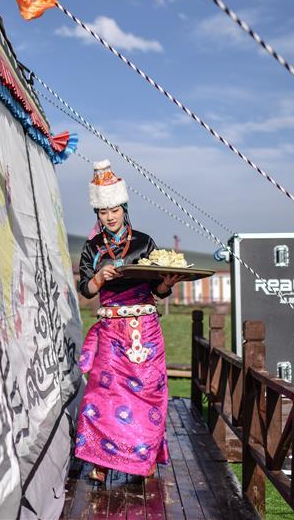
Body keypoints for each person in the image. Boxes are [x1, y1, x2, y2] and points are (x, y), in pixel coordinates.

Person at [75, 160, 181, 484]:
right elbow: (83, 288)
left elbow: (158, 291)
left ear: (124, 207)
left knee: (148, 396)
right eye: (103, 212)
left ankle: (143, 458)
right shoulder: (92, 248)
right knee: (103, 396)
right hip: (110, 331)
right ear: (98, 214)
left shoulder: (145, 242)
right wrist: (98, 278)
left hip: (146, 332)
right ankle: (102, 460)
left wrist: (167, 281)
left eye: (114, 210)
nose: (110, 216)